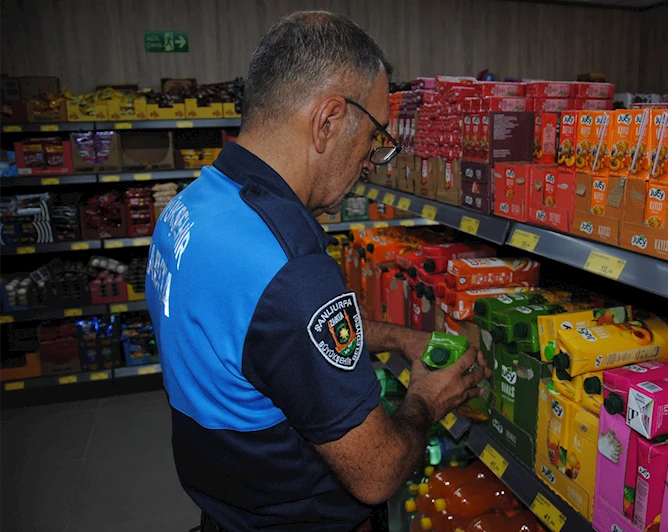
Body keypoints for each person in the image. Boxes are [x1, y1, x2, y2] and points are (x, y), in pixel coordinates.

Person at [145, 11, 489, 532]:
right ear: (328, 121)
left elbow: (265, 339)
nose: (373, 159)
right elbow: (375, 474)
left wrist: (398, 337)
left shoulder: (196, 204)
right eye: (376, 134)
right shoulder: (288, 268)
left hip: (228, 506)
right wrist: (425, 398)